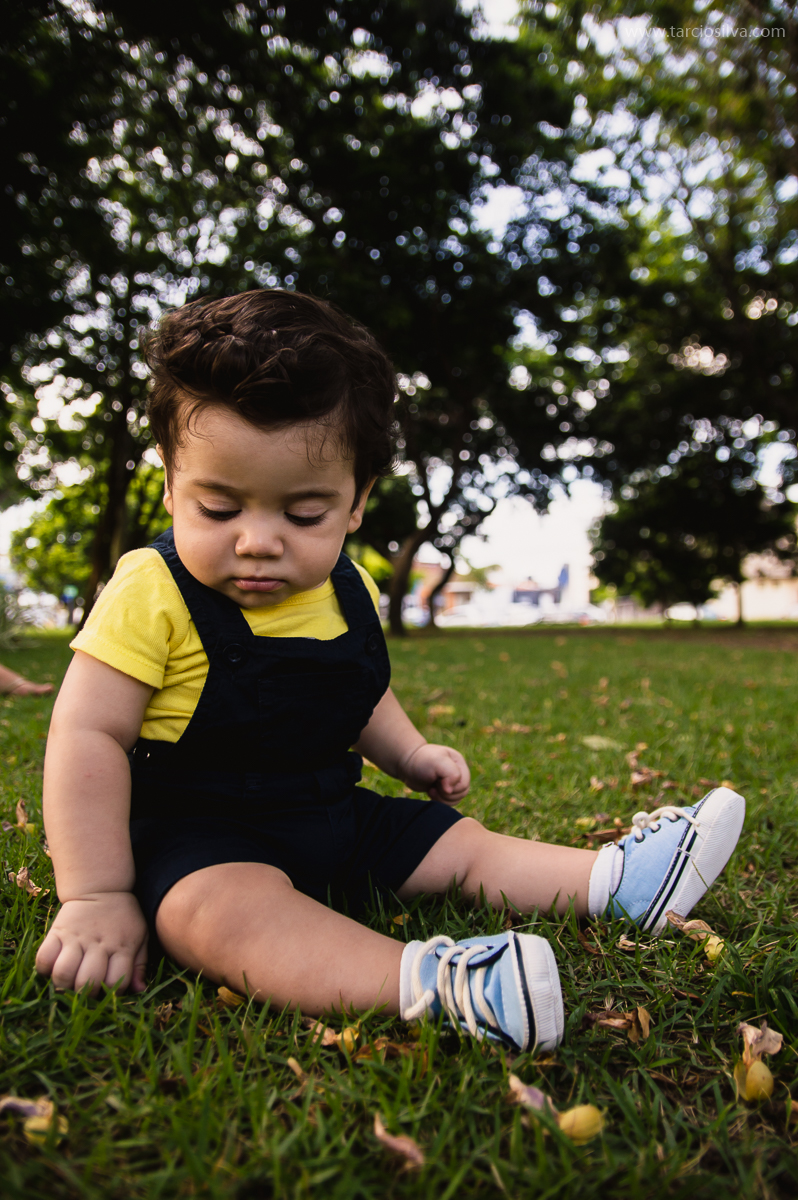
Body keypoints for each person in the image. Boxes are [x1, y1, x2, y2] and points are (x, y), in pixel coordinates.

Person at [34, 291, 746, 1053]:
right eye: (218, 508)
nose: (258, 542)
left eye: (303, 515)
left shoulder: (350, 589)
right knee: (220, 914)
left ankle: (618, 882)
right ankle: (440, 984)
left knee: (460, 845)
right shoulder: (150, 588)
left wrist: (408, 754)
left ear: (357, 503)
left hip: (329, 816)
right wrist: (98, 892)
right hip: (197, 838)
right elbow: (87, 736)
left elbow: (354, 692)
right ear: (173, 486)